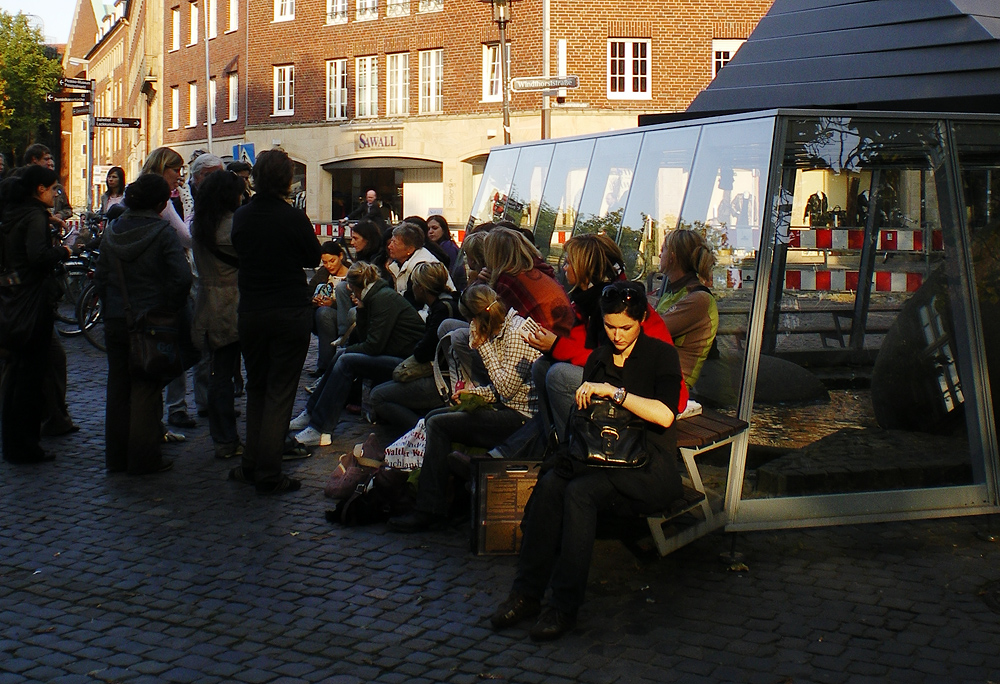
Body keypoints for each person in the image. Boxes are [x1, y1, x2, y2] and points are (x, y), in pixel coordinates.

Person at [490, 280, 684, 641]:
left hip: (648, 465)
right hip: (603, 455)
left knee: (580, 493)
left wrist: (615, 392)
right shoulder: (598, 356)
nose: (617, 335)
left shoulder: (660, 355)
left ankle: (563, 606)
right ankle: (526, 592)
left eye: (625, 327)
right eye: (610, 327)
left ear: (641, 320)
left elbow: (666, 416)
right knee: (550, 483)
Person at [388, 284, 541, 532]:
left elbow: (506, 390)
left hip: (521, 418)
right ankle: (444, 497)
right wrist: (473, 392)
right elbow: (500, 387)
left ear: (476, 317)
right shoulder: (502, 330)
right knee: (434, 416)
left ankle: (429, 509)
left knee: (439, 425)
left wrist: (482, 346)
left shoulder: (515, 334)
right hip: (509, 406)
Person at [230, 148, 321, 494]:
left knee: (256, 386)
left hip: (252, 310)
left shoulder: (242, 216)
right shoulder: (292, 217)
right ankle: (269, 470)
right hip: (288, 308)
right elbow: (312, 255)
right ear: (286, 181)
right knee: (280, 391)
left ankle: (251, 462)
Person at [95, 174, 193, 475]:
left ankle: (116, 457)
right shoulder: (162, 232)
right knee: (146, 388)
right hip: (152, 320)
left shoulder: (112, 230)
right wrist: (169, 308)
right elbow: (181, 279)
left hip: (116, 317)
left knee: (118, 386)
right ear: (162, 203)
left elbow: (101, 276)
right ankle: (143, 458)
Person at [289, 261, 425, 446]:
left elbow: (373, 346)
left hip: (406, 361)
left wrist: (350, 347)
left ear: (353, 286)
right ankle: (312, 413)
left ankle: (320, 428)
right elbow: (366, 338)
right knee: (343, 357)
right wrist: (361, 309)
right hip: (398, 354)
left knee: (345, 360)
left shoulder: (382, 298)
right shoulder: (374, 297)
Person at [0, 166, 73, 463]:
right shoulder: (34, 217)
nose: (56, 194)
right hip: (32, 302)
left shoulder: (13, 214)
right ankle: (26, 446)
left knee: (17, 375)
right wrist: (66, 252)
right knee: (29, 378)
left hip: (14, 299)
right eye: (53, 188)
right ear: (40, 189)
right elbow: (38, 257)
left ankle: (14, 442)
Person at [140, 147, 199, 434]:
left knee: (167, 346)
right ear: (163, 169)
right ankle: (172, 406)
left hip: (149, 287)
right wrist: (188, 204)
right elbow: (187, 238)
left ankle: (171, 407)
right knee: (180, 346)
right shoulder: (162, 203)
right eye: (176, 169)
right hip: (167, 287)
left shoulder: (141, 197)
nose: (180, 175)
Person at [370, 261, 462, 436]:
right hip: (444, 373)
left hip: (443, 379)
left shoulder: (442, 310)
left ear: (421, 287)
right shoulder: (450, 301)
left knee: (378, 396)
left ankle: (423, 433)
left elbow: (424, 351)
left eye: (414, 285)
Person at [190, 170, 245, 460]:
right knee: (231, 374)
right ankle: (231, 439)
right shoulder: (235, 226)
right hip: (235, 302)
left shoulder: (200, 226)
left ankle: (223, 438)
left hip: (208, 303)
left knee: (218, 374)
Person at [656, 229, 718, 390]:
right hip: (656, 376)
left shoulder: (698, 299)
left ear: (672, 257)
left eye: (663, 250)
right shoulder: (673, 292)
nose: (659, 255)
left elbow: (653, 330)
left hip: (673, 386)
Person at [485, 227, 574, 338]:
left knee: (461, 337)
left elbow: (493, 320)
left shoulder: (509, 281)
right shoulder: (538, 271)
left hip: (546, 342)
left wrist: (480, 281)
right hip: (562, 337)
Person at [385, 222, 455, 311]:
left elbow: (418, 306)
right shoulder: (397, 264)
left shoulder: (422, 267)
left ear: (410, 249)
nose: (389, 246)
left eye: (395, 243)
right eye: (391, 241)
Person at [309, 240, 350, 376]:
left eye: (332, 261)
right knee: (321, 313)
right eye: (325, 262)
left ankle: (326, 366)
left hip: (344, 315)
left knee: (324, 313)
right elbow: (308, 292)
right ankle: (325, 365)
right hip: (322, 315)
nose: (329, 266)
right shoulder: (323, 273)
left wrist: (333, 303)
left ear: (340, 256)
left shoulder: (352, 272)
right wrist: (314, 299)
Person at [426, 214, 467, 292]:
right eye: (428, 229)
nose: (431, 231)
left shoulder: (448, 247)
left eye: (435, 228)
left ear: (443, 230)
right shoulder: (433, 248)